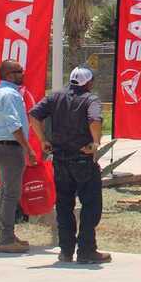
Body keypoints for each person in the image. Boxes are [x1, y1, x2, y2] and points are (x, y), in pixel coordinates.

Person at [30, 66, 109, 265]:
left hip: (60, 160)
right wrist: (96, 143)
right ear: (89, 83)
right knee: (91, 206)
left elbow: (33, 115)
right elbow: (95, 119)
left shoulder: (55, 97)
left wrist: (42, 140)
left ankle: (66, 251)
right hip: (83, 159)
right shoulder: (91, 99)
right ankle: (87, 251)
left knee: (64, 206)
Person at [0, 59, 39, 253]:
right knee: (11, 194)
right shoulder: (9, 95)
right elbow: (14, 125)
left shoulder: (0, 92)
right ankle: (6, 239)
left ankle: (7, 233)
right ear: (9, 75)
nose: (23, 74)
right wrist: (28, 149)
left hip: (2, 147)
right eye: (19, 71)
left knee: (7, 192)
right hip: (11, 148)